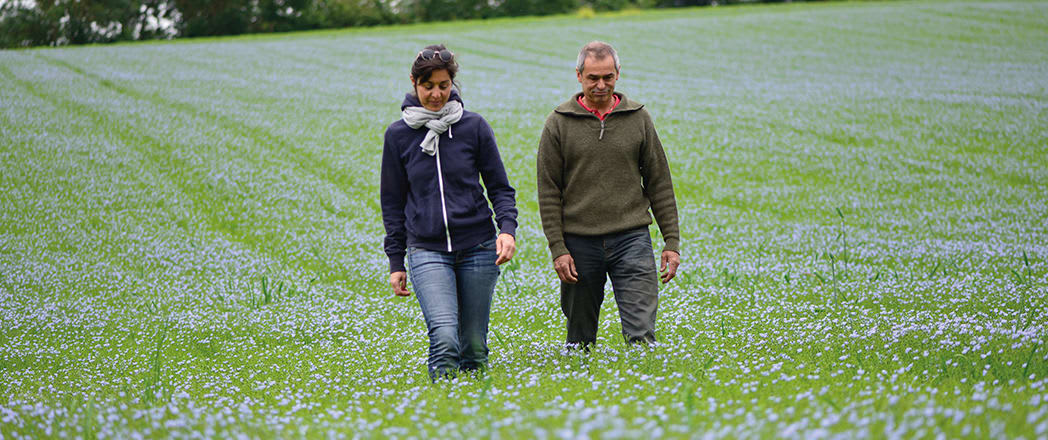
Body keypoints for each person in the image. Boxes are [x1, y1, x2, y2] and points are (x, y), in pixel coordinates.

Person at [381, 44, 518, 379]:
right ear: (414, 83)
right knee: (444, 338)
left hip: (479, 247)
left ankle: (472, 414)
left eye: (444, 86)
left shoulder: (473, 127)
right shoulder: (399, 136)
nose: (436, 94)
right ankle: (443, 414)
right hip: (427, 250)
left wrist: (507, 229)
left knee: (473, 345)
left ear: (453, 84)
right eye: (428, 86)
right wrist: (396, 262)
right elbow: (393, 203)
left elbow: (500, 188)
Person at [536, 41, 681, 348]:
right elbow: (548, 192)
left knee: (642, 331)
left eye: (607, 77)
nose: (600, 85)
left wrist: (671, 241)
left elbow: (659, 182)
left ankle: (644, 383)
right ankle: (579, 387)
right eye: (592, 78)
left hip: (632, 237)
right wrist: (558, 249)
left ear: (618, 74)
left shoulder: (638, 118)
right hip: (579, 241)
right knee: (580, 337)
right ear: (578, 76)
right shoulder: (558, 123)